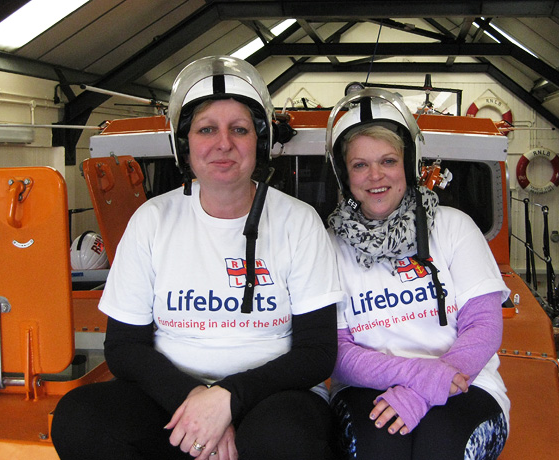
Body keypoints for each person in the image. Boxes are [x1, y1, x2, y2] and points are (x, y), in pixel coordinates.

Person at [51, 55, 343, 460]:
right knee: (79, 418)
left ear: (259, 141)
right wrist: (195, 402)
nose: (224, 143)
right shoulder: (152, 220)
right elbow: (124, 346)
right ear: (185, 144)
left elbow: (316, 351)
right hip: (171, 395)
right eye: (208, 129)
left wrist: (228, 400)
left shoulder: (299, 221)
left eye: (239, 130)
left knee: (285, 438)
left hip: (273, 395)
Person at [325, 88, 510, 460]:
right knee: (380, 448)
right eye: (360, 165)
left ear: (408, 165)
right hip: (364, 387)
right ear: (345, 175)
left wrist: (421, 391)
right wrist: (419, 376)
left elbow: (484, 326)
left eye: (388, 161)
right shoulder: (327, 246)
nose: (375, 176)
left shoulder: (454, 227)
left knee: (441, 447)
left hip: (466, 379)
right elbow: (338, 350)